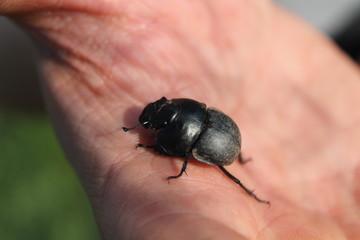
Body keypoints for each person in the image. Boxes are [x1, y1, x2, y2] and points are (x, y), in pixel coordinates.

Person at [2, 0, 360, 239]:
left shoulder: (187, 134)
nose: (161, 111)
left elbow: (175, 145)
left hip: (220, 141)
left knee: (223, 168)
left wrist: (162, 152)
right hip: (329, 21)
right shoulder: (187, 113)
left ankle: (247, 188)